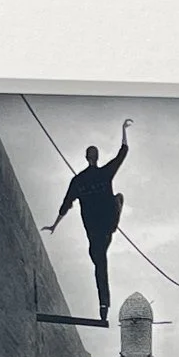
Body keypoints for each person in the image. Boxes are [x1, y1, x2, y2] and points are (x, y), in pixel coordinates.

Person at [50, 119, 131, 322]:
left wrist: (55, 224)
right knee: (119, 197)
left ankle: (104, 306)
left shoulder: (77, 181)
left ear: (87, 158)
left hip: (94, 230)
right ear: (96, 157)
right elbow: (123, 152)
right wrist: (122, 130)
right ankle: (103, 307)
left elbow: (65, 205)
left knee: (99, 265)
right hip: (107, 225)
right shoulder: (105, 173)